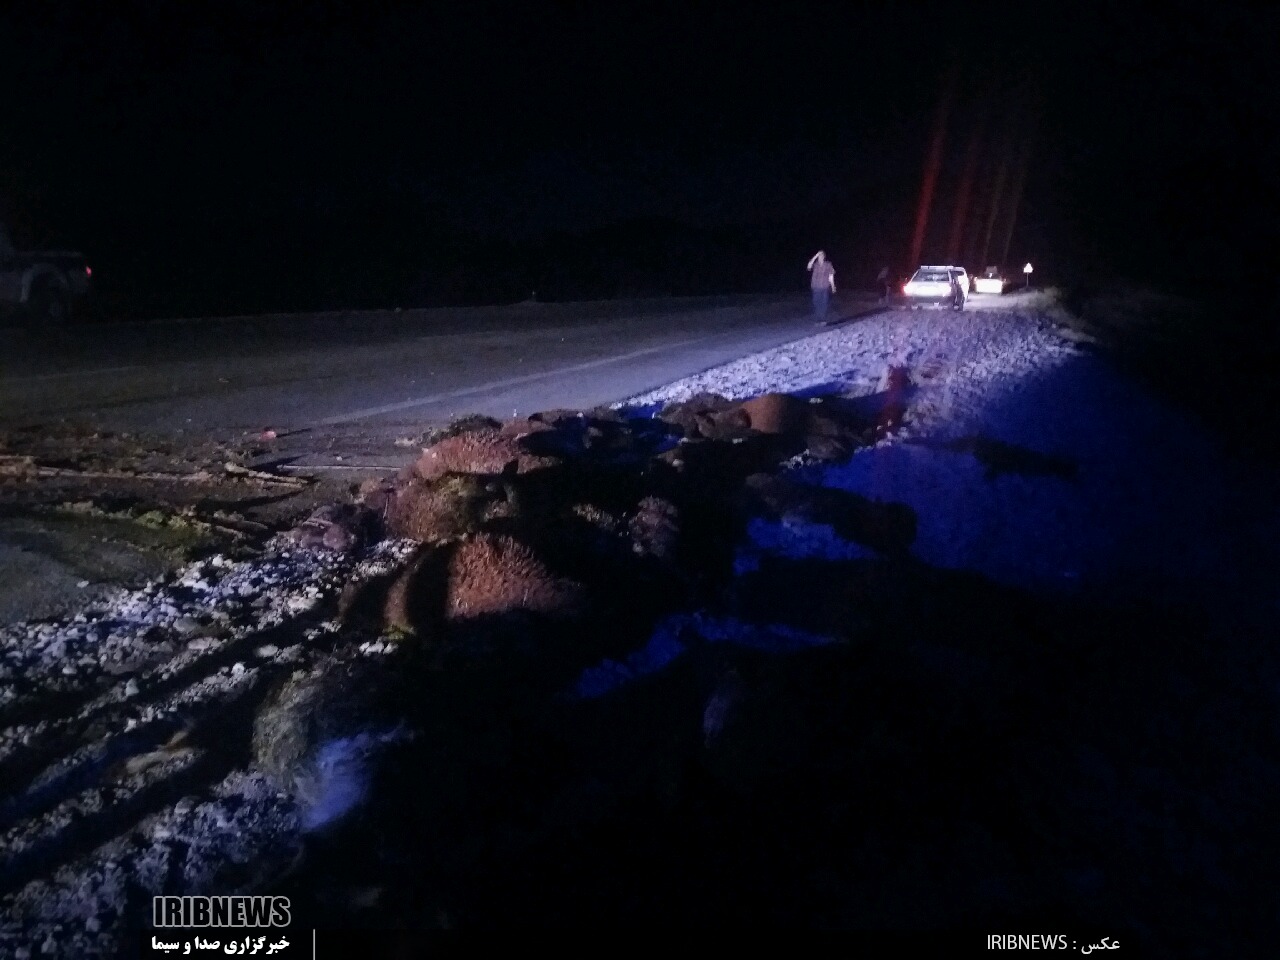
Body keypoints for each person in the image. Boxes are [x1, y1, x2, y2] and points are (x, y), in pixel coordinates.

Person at [807, 251, 836, 320]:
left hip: (825, 287)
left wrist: (833, 286)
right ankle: (818, 317)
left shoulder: (828, 264)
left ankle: (822, 318)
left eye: (822, 255)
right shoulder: (815, 264)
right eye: (819, 256)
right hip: (816, 287)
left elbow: (831, 275)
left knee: (824, 303)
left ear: (824, 257)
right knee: (816, 302)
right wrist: (816, 255)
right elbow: (808, 267)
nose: (820, 257)